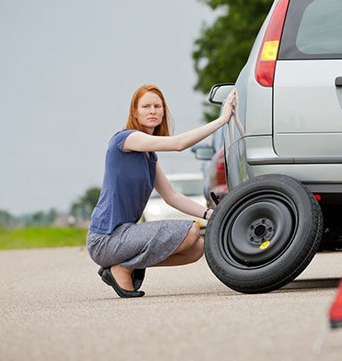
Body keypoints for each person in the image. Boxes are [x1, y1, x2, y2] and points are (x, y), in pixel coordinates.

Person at [87, 83, 236, 298]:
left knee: (197, 248)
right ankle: (122, 268)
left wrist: (210, 215)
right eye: (146, 106)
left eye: (158, 106)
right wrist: (222, 121)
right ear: (135, 113)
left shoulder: (150, 157)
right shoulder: (125, 139)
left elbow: (171, 196)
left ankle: (123, 265)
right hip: (105, 239)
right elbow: (178, 144)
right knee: (191, 231)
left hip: (125, 236)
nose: (153, 111)